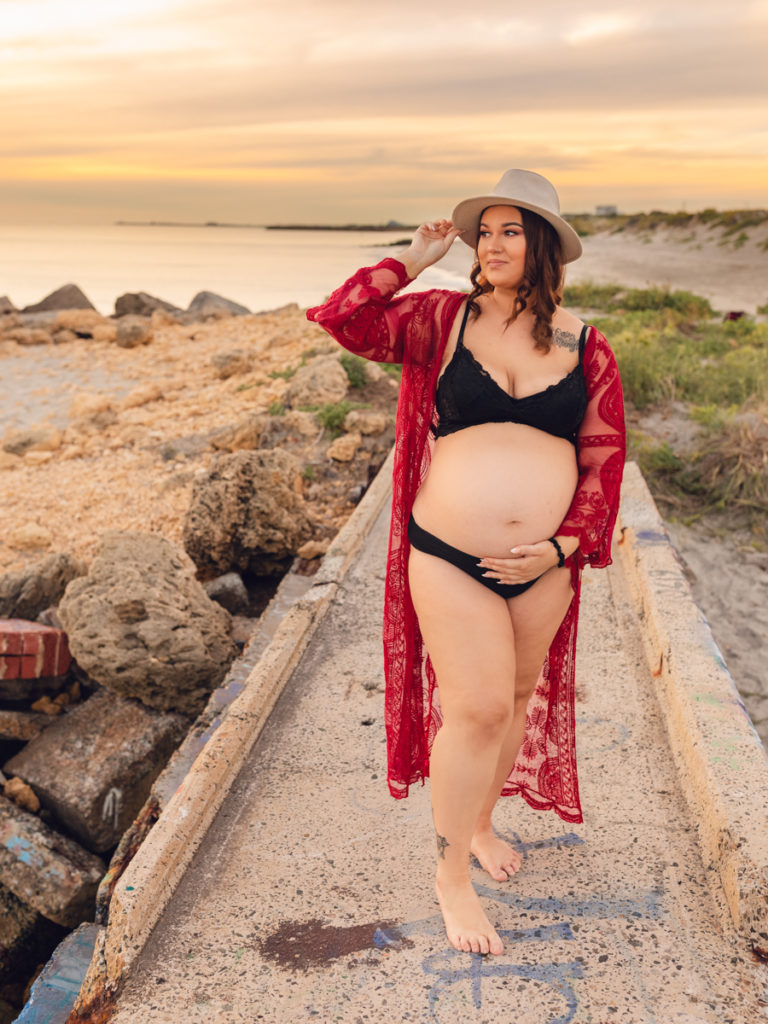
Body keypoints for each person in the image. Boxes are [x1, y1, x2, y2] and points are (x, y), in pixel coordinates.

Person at [306, 169, 625, 956]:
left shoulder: (587, 344)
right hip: (447, 552)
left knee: (514, 699)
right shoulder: (442, 318)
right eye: (485, 230)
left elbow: (603, 461)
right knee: (476, 707)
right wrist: (412, 261)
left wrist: (562, 545)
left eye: (511, 230)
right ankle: (451, 875)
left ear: (544, 245)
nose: (492, 242)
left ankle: (481, 822)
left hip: (542, 564)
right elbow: (344, 318)